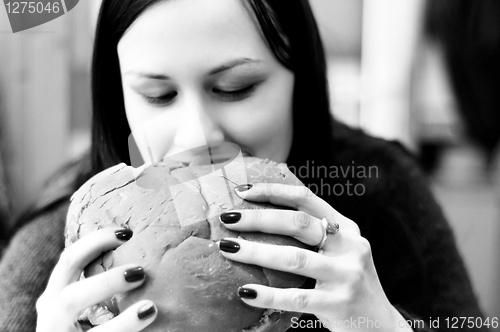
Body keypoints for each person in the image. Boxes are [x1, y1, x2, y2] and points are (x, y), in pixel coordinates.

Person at [0, 0, 488, 331]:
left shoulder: (382, 190)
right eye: (158, 95)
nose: (196, 136)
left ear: (302, 78)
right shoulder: (64, 250)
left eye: (235, 89)